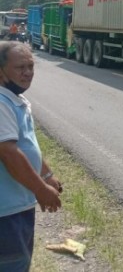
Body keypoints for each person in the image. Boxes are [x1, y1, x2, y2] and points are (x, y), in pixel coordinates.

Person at [0, 41, 62, 271]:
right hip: (5, 213)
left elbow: (28, 144)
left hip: (18, 206)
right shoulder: (1, 102)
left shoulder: (16, 101)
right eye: (20, 67)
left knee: (20, 261)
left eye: (31, 66)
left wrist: (46, 174)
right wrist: (40, 189)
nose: (28, 73)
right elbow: (9, 153)